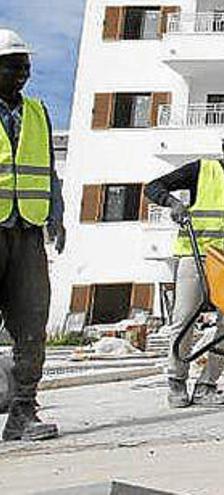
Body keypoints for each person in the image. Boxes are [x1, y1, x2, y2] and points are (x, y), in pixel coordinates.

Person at [145, 122, 224, 408]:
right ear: (223, 145)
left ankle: (207, 385)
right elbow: (153, 187)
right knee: (184, 320)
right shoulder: (201, 170)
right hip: (196, 255)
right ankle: (176, 381)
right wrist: (174, 204)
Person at [0, 29, 65, 441]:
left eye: (27, 66)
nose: (24, 73)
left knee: (31, 322)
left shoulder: (38, 113)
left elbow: (49, 171)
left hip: (28, 232)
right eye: (14, 65)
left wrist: (56, 215)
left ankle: (24, 410)